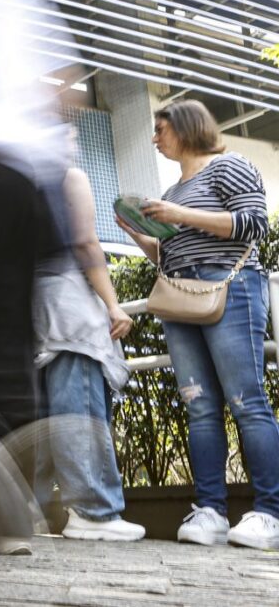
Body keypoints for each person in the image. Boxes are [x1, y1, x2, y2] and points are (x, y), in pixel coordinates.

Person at [117, 99, 279, 550]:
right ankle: (209, 511)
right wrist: (138, 233)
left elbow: (253, 225)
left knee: (247, 401)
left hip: (231, 290)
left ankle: (270, 513)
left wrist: (180, 217)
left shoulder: (230, 167)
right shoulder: (170, 194)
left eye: (160, 129)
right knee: (200, 406)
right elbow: (167, 256)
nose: (154, 138)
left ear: (186, 128)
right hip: (180, 298)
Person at [34, 165, 145, 541]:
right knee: (77, 406)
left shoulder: (10, 176)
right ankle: (92, 511)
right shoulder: (66, 175)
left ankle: (30, 512)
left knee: (43, 414)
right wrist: (113, 305)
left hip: (31, 306)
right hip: (68, 304)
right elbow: (85, 243)